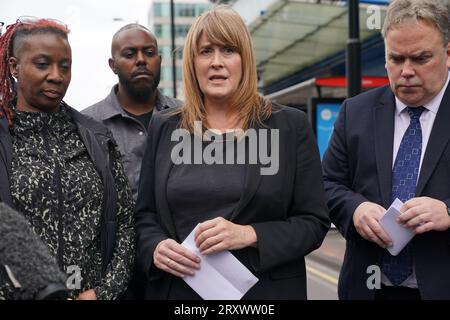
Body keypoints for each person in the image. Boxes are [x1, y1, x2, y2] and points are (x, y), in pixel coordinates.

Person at [134, 6, 330, 300]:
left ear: (245, 60)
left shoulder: (289, 125)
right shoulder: (165, 125)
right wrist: (155, 247)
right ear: (192, 62)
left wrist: (249, 234)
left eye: (228, 50)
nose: (216, 62)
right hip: (179, 293)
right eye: (205, 51)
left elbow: (313, 223)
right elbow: (144, 216)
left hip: (263, 295)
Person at [322, 0, 450, 300]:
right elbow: (326, 184)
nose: (406, 71)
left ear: (447, 54)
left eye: (420, 58)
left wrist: (447, 210)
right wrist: (356, 209)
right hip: (368, 289)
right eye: (396, 58)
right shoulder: (355, 112)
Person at [0, 18, 135, 300]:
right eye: (42, 64)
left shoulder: (97, 137)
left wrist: (102, 293)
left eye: (65, 66)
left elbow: (123, 223)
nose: (56, 76)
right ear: (14, 66)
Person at [82, 24, 181, 200]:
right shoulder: (86, 124)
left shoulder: (186, 116)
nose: (141, 60)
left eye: (149, 53)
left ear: (159, 60)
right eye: (129, 54)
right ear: (113, 65)